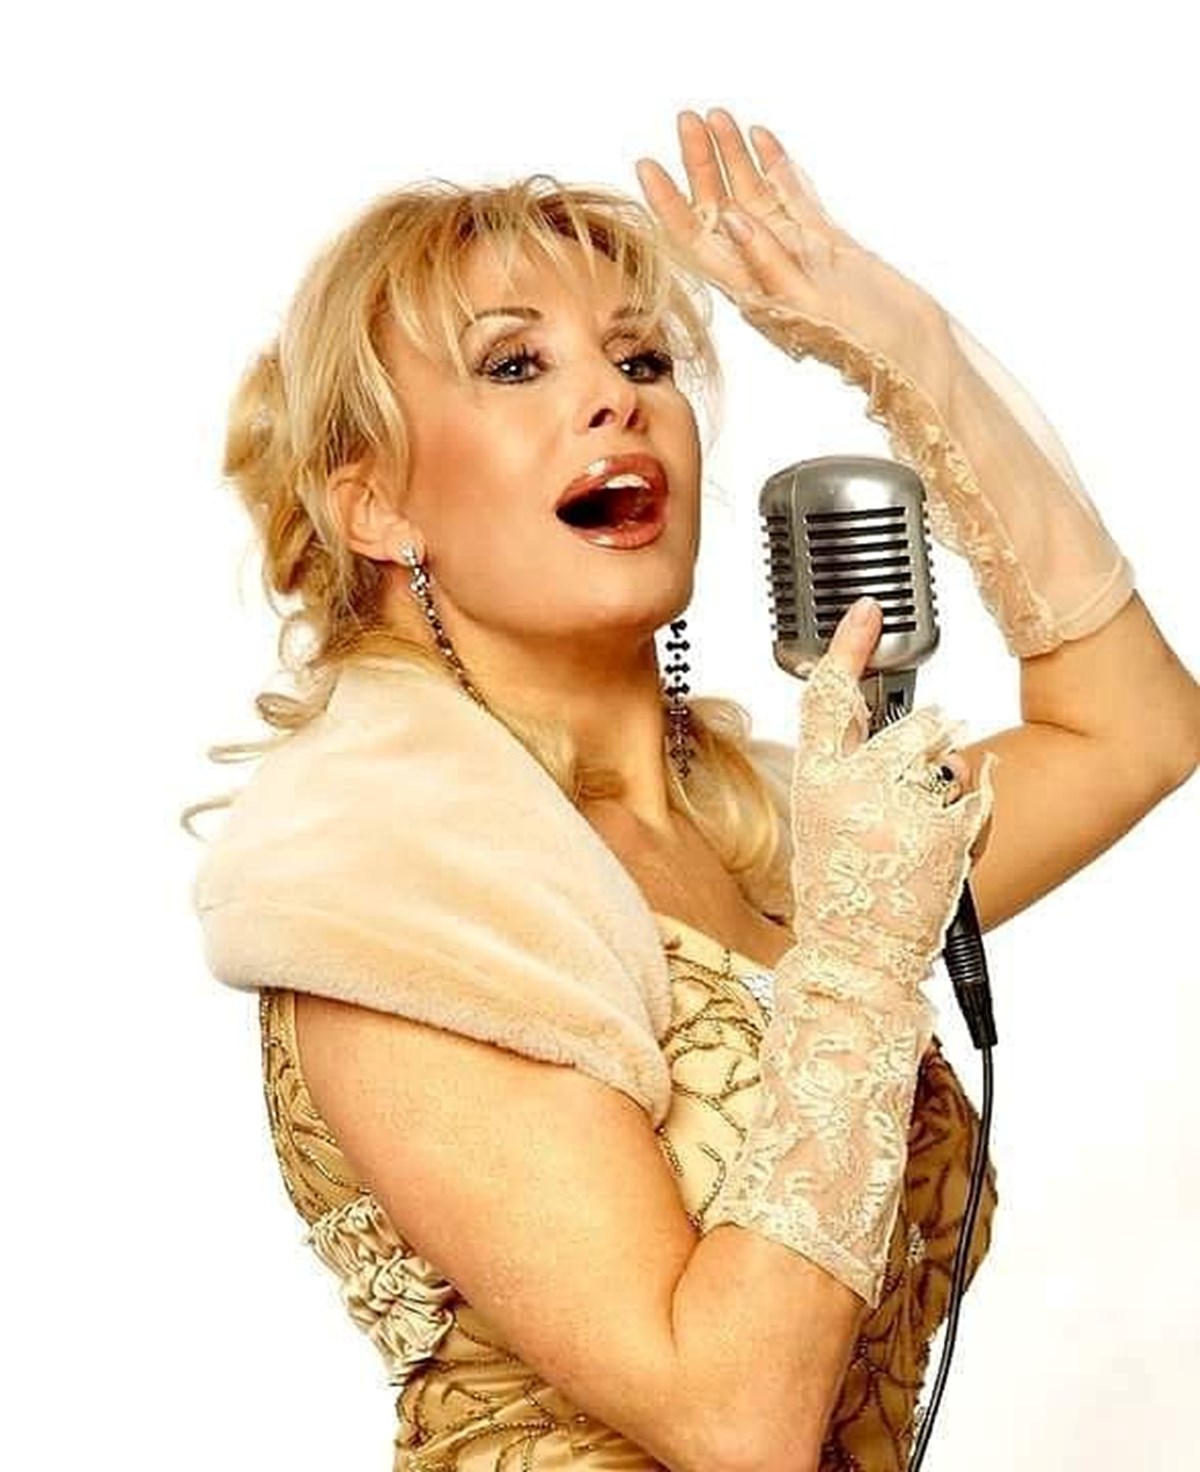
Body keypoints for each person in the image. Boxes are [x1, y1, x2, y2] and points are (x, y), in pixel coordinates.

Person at [183, 108, 1197, 1471]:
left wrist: (904, 354)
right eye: (515, 364)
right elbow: (734, 1420)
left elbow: (1134, 730)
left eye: (642, 357)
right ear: (376, 507)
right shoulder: (396, 877)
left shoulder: (772, 831)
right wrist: (858, 959)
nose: (617, 398)